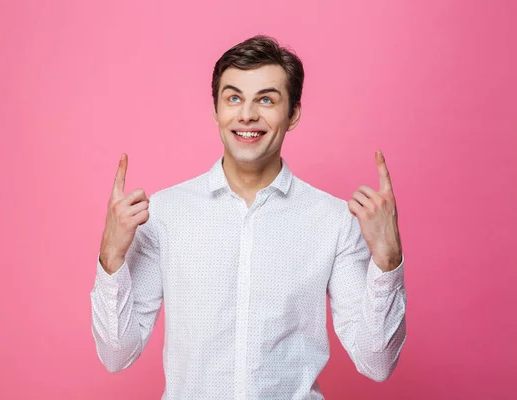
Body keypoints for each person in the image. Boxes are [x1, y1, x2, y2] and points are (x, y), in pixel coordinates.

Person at [90, 35, 406, 400]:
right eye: (234, 98)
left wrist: (388, 260)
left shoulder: (335, 221)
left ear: (293, 114)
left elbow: (377, 363)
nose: (247, 115)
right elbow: (116, 354)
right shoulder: (164, 214)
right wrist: (110, 256)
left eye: (267, 100)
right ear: (216, 110)